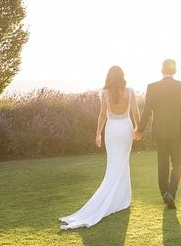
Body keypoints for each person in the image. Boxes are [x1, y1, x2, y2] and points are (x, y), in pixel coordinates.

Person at [59, 65, 139, 229]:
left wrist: (98, 133)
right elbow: (136, 113)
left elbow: (102, 115)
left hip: (111, 129)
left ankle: (120, 199)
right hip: (125, 128)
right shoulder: (130, 91)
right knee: (122, 163)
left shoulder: (105, 94)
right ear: (122, 76)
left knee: (114, 165)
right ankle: (120, 199)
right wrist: (138, 129)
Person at [134, 59, 181, 209]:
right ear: (174, 71)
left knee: (163, 164)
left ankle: (164, 194)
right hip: (177, 132)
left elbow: (147, 111)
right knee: (179, 163)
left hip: (159, 132)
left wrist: (140, 130)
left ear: (162, 71)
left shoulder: (152, 87)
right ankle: (171, 193)